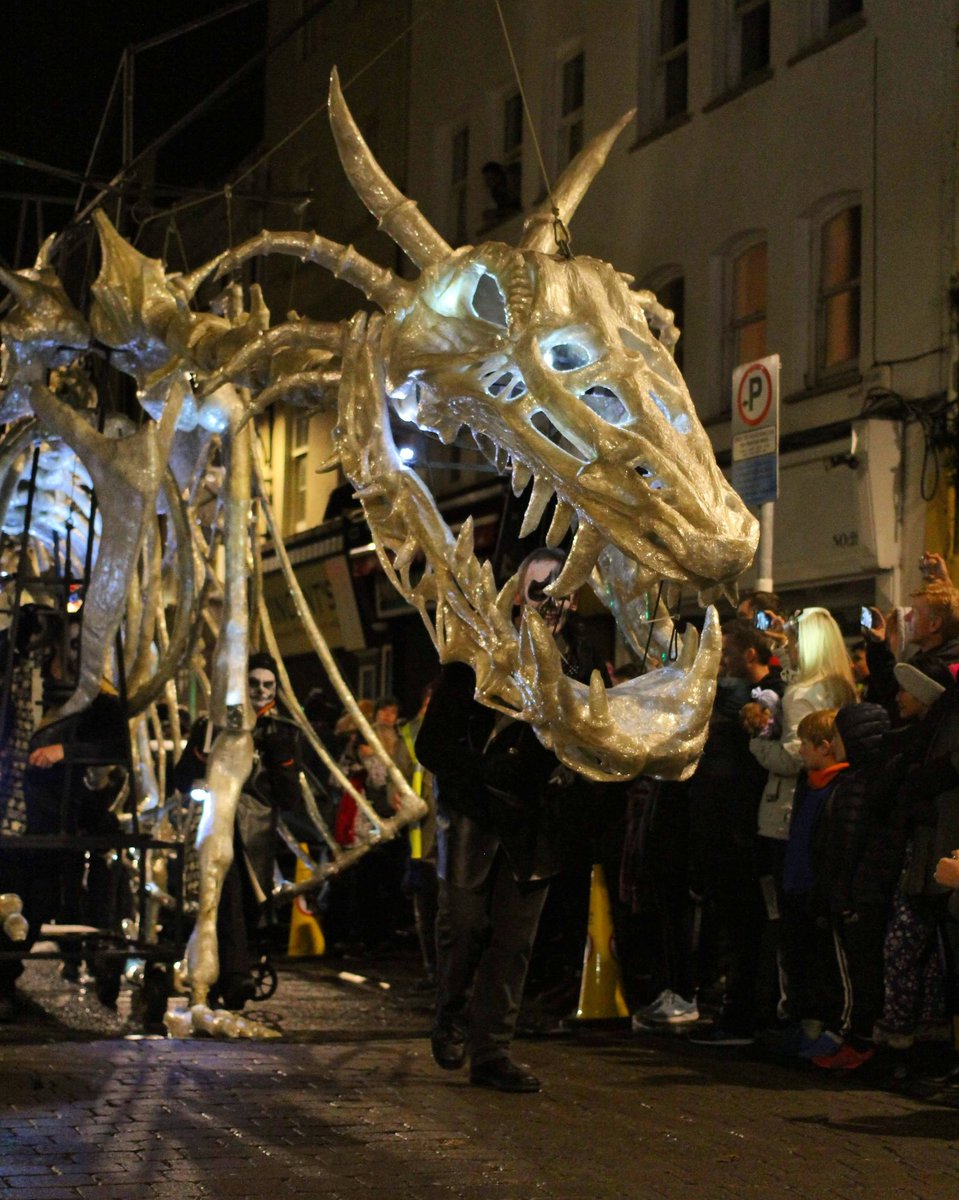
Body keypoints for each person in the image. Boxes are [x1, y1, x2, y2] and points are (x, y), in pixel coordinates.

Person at [416, 547, 595, 1093]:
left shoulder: (577, 665)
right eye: (540, 589)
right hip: (473, 818)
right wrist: (483, 784)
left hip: (532, 825)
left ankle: (492, 1052)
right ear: (518, 593)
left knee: (513, 943)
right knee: (465, 927)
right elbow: (433, 744)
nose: (551, 602)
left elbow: (586, 745)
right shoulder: (472, 653)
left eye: (562, 590)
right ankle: (451, 1009)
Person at [746, 606, 858, 1028]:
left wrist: (757, 743)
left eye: (793, 640)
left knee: (785, 920)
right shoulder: (843, 689)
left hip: (788, 813)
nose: (787, 647)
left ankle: (788, 1014)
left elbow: (794, 756)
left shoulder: (801, 694)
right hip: (829, 810)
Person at [173, 652, 299, 1009]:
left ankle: (229, 975)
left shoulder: (281, 732)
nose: (260, 691)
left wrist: (282, 759)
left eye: (267, 685)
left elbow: (288, 798)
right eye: (254, 683)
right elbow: (181, 779)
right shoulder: (213, 725)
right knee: (222, 897)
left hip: (254, 833)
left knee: (243, 905)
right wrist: (201, 753)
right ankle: (233, 975)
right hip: (215, 825)